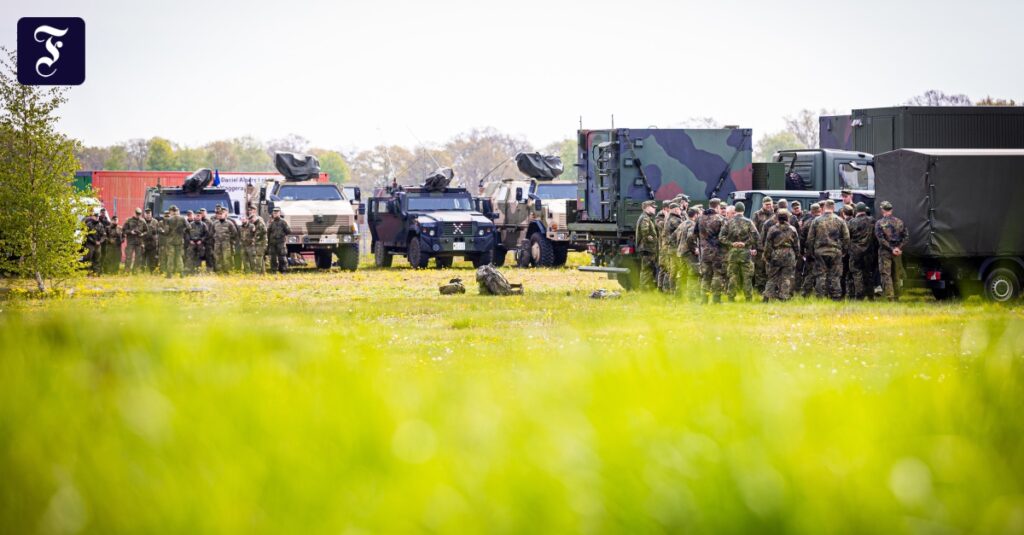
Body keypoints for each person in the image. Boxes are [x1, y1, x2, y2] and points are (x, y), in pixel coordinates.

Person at [806, 199, 850, 300]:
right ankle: (835, 296)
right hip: (835, 251)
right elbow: (846, 237)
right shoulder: (840, 220)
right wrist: (844, 250)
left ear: (824, 207)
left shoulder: (816, 221)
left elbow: (810, 238)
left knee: (821, 275)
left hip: (820, 251)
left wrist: (812, 251)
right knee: (835, 275)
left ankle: (821, 296)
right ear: (834, 208)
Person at [719, 201, 759, 302]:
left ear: (735, 210)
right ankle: (748, 298)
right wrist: (745, 244)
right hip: (745, 253)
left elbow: (721, 237)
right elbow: (756, 236)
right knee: (747, 276)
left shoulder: (729, 222)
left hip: (732, 253)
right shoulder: (748, 222)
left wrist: (731, 243)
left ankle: (731, 297)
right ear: (743, 210)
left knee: (732, 275)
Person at [763, 209, 801, 301]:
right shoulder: (792, 229)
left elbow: (768, 245)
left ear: (777, 218)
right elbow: (796, 245)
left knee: (772, 277)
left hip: (776, 254)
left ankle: (767, 296)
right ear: (788, 218)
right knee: (786, 277)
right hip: (789, 255)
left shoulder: (772, 229)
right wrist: (796, 255)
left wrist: (767, 257)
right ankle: (783, 297)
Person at [696, 198, 727, 303]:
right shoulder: (720, 219)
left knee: (706, 276)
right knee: (717, 275)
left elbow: (694, 234)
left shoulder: (700, 218)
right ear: (718, 206)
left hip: (704, 252)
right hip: (717, 252)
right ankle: (716, 299)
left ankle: (704, 300)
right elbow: (725, 236)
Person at [874, 201, 907, 301]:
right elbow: (906, 237)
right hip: (897, 253)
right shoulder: (900, 222)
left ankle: (890, 297)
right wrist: (898, 248)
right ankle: (897, 297)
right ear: (891, 210)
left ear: (882, 210)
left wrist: (891, 249)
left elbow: (880, 239)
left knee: (886, 275)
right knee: (896, 274)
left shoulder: (879, 223)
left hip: (885, 252)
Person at [847, 203, 877, 300]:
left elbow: (847, 237)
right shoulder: (872, 221)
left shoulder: (851, 222)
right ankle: (870, 296)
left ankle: (859, 295)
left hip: (855, 252)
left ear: (856, 210)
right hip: (869, 252)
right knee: (868, 273)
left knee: (857, 273)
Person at [675, 207, 701, 300]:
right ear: (696, 215)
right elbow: (690, 237)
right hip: (689, 254)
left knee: (682, 274)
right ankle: (692, 296)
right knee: (693, 274)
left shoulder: (682, 224)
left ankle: (678, 295)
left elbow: (675, 236)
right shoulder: (693, 224)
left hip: (681, 252)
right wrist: (695, 249)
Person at [634, 200, 659, 290]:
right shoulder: (645, 218)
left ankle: (646, 289)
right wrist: (654, 242)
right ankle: (644, 289)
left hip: (647, 248)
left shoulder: (646, 217)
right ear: (647, 207)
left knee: (648, 269)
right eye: (653, 207)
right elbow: (645, 234)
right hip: (647, 248)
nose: (654, 209)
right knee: (646, 270)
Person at [658, 203, 683, 292]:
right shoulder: (676, 220)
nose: (681, 210)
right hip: (676, 248)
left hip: (671, 249)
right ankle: (678, 290)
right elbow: (682, 232)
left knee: (672, 270)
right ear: (676, 209)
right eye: (680, 209)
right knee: (680, 269)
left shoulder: (668, 219)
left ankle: (670, 290)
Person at [752, 196, 774, 291]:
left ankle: (770, 289)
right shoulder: (757, 215)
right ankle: (760, 289)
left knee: (771, 268)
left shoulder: (775, 214)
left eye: (770, 204)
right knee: (760, 268)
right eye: (766, 204)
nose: (768, 206)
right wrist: (754, 247)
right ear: (763, 204)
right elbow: (753, 231)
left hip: (772, 246)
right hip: (760, 246)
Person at [799, 202, 820, 297]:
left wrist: (801, 251)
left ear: (811, 212)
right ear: (820, 210)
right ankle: (821, 293)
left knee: (810, 273)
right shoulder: (825, 220)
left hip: (810, 252)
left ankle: (805, 293)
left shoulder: (807, 223)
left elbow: (802, 238)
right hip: (825, 251)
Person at [212, 207, 240, 273]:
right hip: (217, 243)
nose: (220, 215)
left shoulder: (230, 223)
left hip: (226, 244)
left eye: (222, 214)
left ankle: (227, 271)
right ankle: (219, 271)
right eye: (219, 214)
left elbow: (234, 233)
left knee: (226, 257)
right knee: (218, 257)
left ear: (225, 214)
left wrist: (229, 240)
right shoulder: (215, 223)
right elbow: (212, 233)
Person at [241, 204, 268, 273]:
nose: (250, 211)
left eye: (252, 210)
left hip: (261, 242)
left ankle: (259, 273)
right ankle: (262, 272)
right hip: (256, 242)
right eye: (249, 210)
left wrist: (256, 233)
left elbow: (264, 231)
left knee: (259, 258)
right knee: (260, 258)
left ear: (255, 211)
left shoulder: (259, 219)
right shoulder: (252, 220)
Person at [163, 206, 188, 278]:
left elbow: (166, 231)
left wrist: (162, 231)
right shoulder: (182, 218)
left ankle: (169, 274)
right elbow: (189, 227)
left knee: (170, 257)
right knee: (179, 257)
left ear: (171, 211)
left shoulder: (169, 219)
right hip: (179, 241)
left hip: (171, 241)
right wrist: (182, 230)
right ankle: (181, 274)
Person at [123, 208, 147, 274]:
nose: (138, 215)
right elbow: (124, 230)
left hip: (139, 242)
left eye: (139, 214)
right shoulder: (129, 220)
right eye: (137, 214)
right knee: (129, 257)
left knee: (138, 257)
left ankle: (135, 271)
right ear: (134, 213)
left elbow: (146, 231)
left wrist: (142, 234)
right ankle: (127, 271)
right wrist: (131, 232)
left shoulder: (143, 221)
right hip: (131, 242)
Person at [267, 207, 291, 273]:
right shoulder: (271, 222)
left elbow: (289, 231)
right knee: (273, 258)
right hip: (272, 243)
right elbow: (268, 232)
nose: (275, 214)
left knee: (282, 257)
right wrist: (268, 242)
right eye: (274, 213)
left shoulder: (283, 222)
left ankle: (283, 270)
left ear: (279, 213)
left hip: (281, 242)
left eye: (277, 213)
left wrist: (282, 234)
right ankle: (274, 270)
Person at [186, 210, 209, 274]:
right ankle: (189, 271)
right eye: (196, 216)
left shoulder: (204, 225)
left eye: (199, 216)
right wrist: (190, 240)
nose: (197, 217)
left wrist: (201, 240)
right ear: (194, 216)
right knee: (190, 256)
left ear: (201, 217)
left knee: (199, 257)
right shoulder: (190, 224)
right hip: (192, 243)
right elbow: (186, 233)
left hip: (200, 243)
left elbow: (206, 234)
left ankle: (198, 271)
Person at [83, 209, 105, 275]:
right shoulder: (89, 224)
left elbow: (103, 235)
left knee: (97, 259)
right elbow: (86, 235)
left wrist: (100, 241)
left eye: (97, 217)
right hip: (90, 244)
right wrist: (94, 241)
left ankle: (96, 273)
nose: (97, 218)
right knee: (88, 258)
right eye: (95, 216)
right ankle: (88, 273)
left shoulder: (100, 225)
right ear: (92, 217)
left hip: (98, 245)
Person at [142, 209, 158, 273]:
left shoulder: (155, 222)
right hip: (144, 242)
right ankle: (142, 271)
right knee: (142, 258)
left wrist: (156, 242)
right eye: (147, 214)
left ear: (151, 214)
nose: (148, 216)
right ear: (144, 214)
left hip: (152, 243)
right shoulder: (141, 221)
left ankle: (152, 272)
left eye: (149, 214)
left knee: (152, 258)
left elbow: (157, 233)